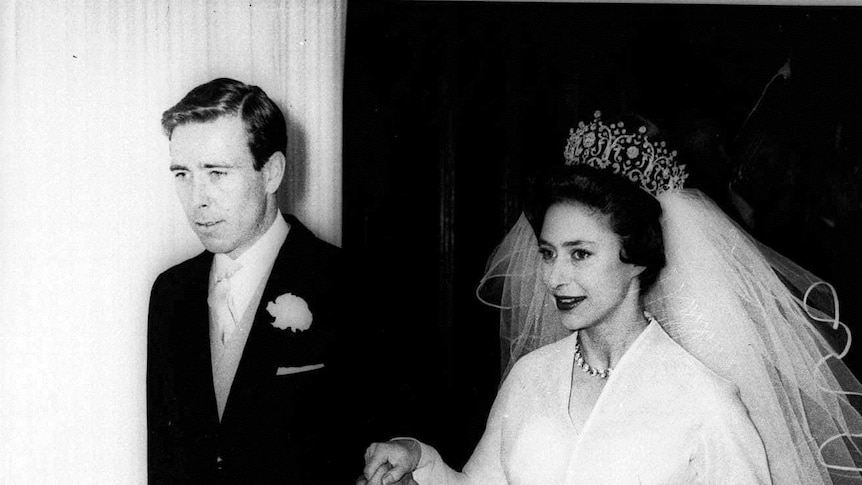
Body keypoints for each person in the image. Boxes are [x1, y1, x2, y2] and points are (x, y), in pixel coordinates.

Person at [360, 112, 862, 484]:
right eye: (548, 253)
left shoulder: (702, 398)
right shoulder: (530, 376)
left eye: (580, 255)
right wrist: (420, 462)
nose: (555, 277)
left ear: (637, 257)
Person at [147, 78, 357, 484]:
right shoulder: (170, 292)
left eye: (217, 172)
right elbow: (165, 461)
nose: (197, 199)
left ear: (272, 173)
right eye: (182, 174)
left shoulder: (348, 283)